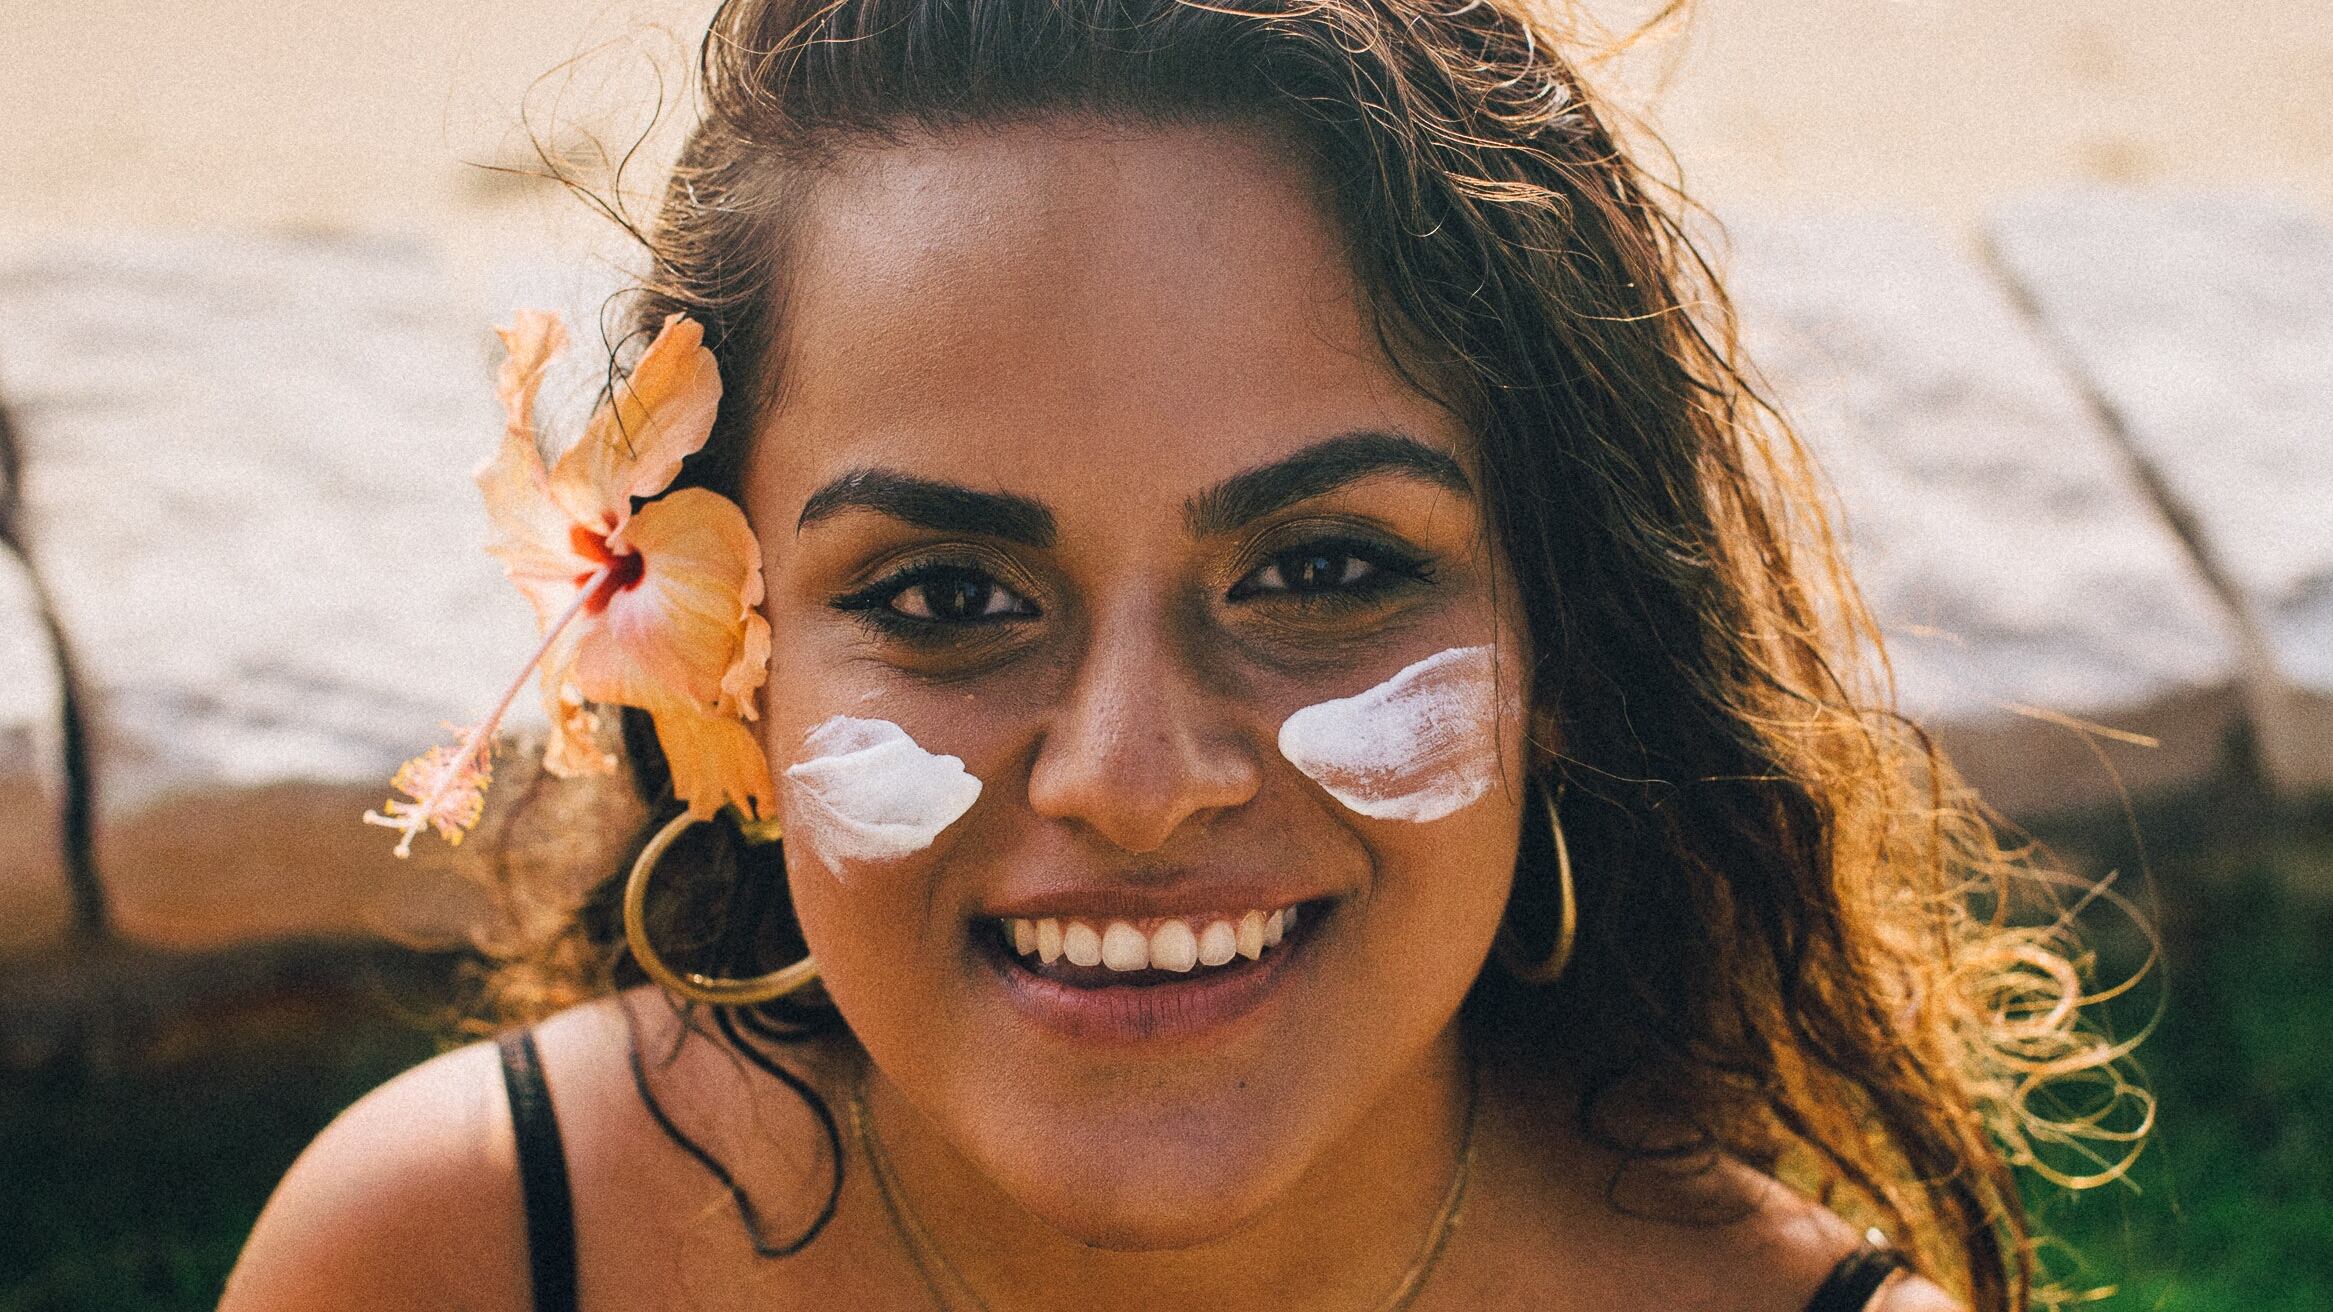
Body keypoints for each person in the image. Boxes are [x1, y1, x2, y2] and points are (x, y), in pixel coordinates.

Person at [222, 0, 2132, 1307]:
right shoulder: (444, 1263)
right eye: (944, 597)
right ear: (719, 665)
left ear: (1565, 638)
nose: (1132, 782)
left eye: (1321, 567)